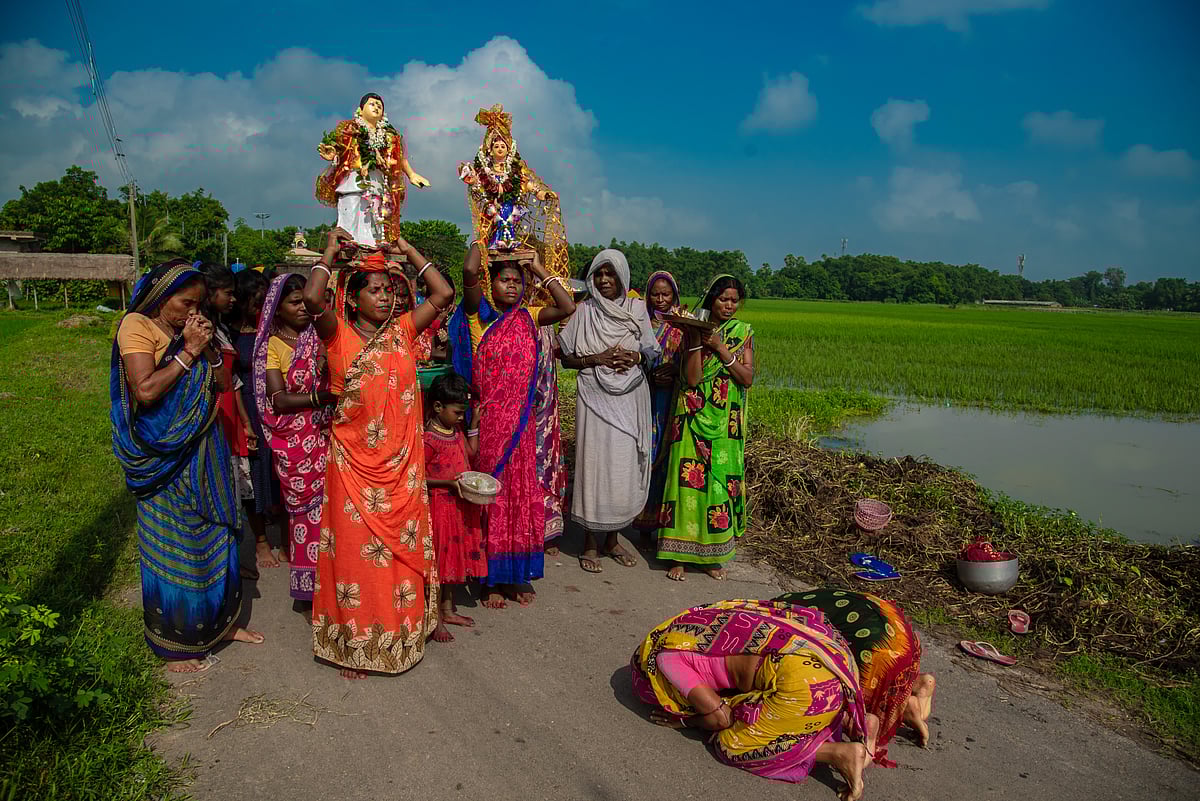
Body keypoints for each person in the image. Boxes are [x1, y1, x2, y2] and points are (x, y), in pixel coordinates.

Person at [304, 228, 454, 678]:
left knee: (395, 557)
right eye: (375, 290)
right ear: (352, 298)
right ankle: (354, 645)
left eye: (390, 290)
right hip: (352, 467)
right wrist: (328, 256)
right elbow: (313, 301)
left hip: (402, 469)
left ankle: (401, 634)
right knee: (355, 558)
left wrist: (405, 251)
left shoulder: (405, 333)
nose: (386, 298)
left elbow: (443, 293)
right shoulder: (338, 336)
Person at [111, 259, 264, 674]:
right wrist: (189, 351)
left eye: (198, 304)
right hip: (165, 456)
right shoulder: (137, 327)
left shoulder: (191, 331)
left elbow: (220, 384)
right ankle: (177, 643)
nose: (192, 311)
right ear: (161, 296)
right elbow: (144, 391)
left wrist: (206, 349)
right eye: (185, 302)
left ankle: (222, 624)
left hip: (205, 447)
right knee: (174, 544)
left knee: (216, 530)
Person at [630, 600, 875, 801]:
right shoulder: (698, 622)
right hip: (831, 662)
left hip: (802, 686)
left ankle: (836, 753)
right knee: (754, 700)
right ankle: (854, 721)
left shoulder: (667, 660)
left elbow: (720, 718)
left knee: (732, 745)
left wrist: (686, 722)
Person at [454, 243, 575, 608]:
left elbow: (568, 307)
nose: (510, 286)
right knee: (492, 497)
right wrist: (483, 240)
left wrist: (538, 267)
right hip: (488, 424)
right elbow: (468, 274)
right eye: (503, 280)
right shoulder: (481, 318)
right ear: (492, 284)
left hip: (521, 427)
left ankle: (516, 574)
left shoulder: (530, 316)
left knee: (521, 496)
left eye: (516, 281)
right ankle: (491, 579)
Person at [558, 250, 660, 573]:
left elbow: (651, 352)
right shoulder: (584, 310)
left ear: (622, 276)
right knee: (594, 466)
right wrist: (596, 359)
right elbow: (566, 357)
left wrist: (635, 359)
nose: (603, 280)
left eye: (610, 274)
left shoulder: (636, 309)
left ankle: (613, 539)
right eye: (599, 274)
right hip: (594, 397)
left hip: (629, 399)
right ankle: (590, 542)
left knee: (621, 468)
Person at [656, 275, 754, 581]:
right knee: (685, 486)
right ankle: (678, 554)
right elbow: (694, 380)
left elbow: (747, 378)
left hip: (725, 423)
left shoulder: (742, 333)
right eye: (723, 299)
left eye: (734, 300)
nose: (728, 305)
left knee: (716, 487)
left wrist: (722, 349)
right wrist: (699, 339)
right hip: (690, 417)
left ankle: (712, 558)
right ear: (711, 299)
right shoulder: (691, 329)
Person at [776, 589, 936, 766]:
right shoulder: (788, 603)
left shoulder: (780, 623)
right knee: (887, 675)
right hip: (900, 632)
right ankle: (916, 686)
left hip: (876, 650)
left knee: (841, 686)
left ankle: (867, 735)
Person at [253, 274, 336, 603]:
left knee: (332, 511)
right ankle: (307, 591)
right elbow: (278, 399)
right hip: (295, 442)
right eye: (294, 302)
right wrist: (323, 398)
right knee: (305, 514)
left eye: (305, 301)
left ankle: (333, 583)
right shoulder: (271, 346)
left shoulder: (320, 336)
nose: (302, 307)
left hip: (326, 435)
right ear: (277, 307)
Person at [422, 372, 487, 642]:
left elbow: (470, 455)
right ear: (438, 407)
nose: (460, 416)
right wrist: (448, 484)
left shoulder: (456, 430)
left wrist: (473, 423)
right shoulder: (428, 439)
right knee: (438, 562)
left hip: (458, 507)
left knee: (452, 560)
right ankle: (434, 617)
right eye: (458, 412)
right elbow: (417, 477)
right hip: (440, 508)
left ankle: (448, 609)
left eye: (463, 412)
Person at [231, 269, 282, 570]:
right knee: (252, 472)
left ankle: (280, 526)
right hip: (247, 406)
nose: (261, 308)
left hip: (274, 404)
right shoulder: (230, 332)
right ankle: (261, 540)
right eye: (256, 302)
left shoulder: (273, 327)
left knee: (277, 468)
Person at [633, 270, 686, 550]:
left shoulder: (681, 325)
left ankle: (663, 524)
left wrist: (674, 372)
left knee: (665, 459)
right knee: (644, 457)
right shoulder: (641, 323)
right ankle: (642, 521)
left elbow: (691, 360)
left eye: (666, 294)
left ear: (674, 295)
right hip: (644, 396)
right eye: (656, 294)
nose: (661, 299)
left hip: (670, 400)